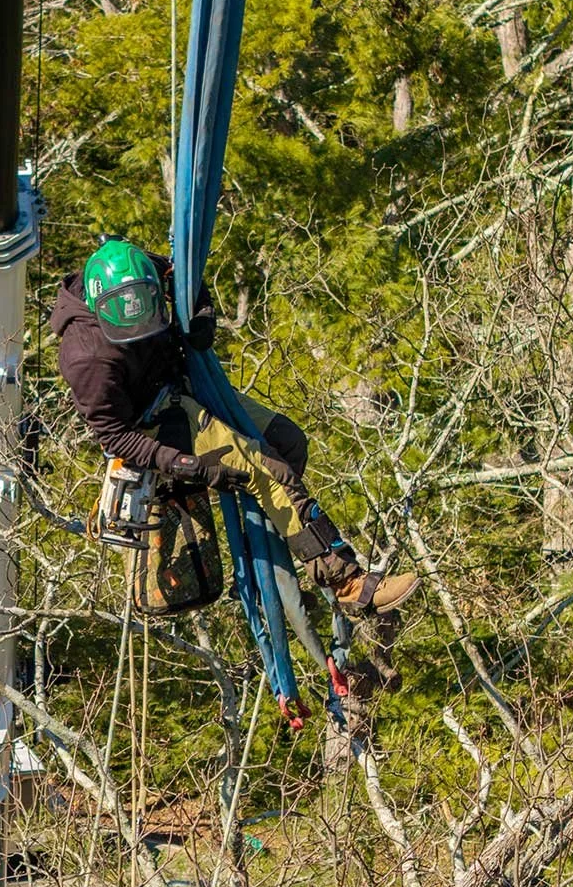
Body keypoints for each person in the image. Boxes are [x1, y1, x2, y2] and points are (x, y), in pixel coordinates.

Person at [52, 237, 418, 616]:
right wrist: (178, 463)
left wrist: (203, 316)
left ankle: (269, 574)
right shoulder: (85, 356)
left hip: (181, 384)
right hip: (151, 423)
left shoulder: (141, 268)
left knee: (288, 444)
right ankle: (347, 583)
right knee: (268, 473)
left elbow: (187, 281)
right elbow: (114, 435)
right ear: (100, 307)